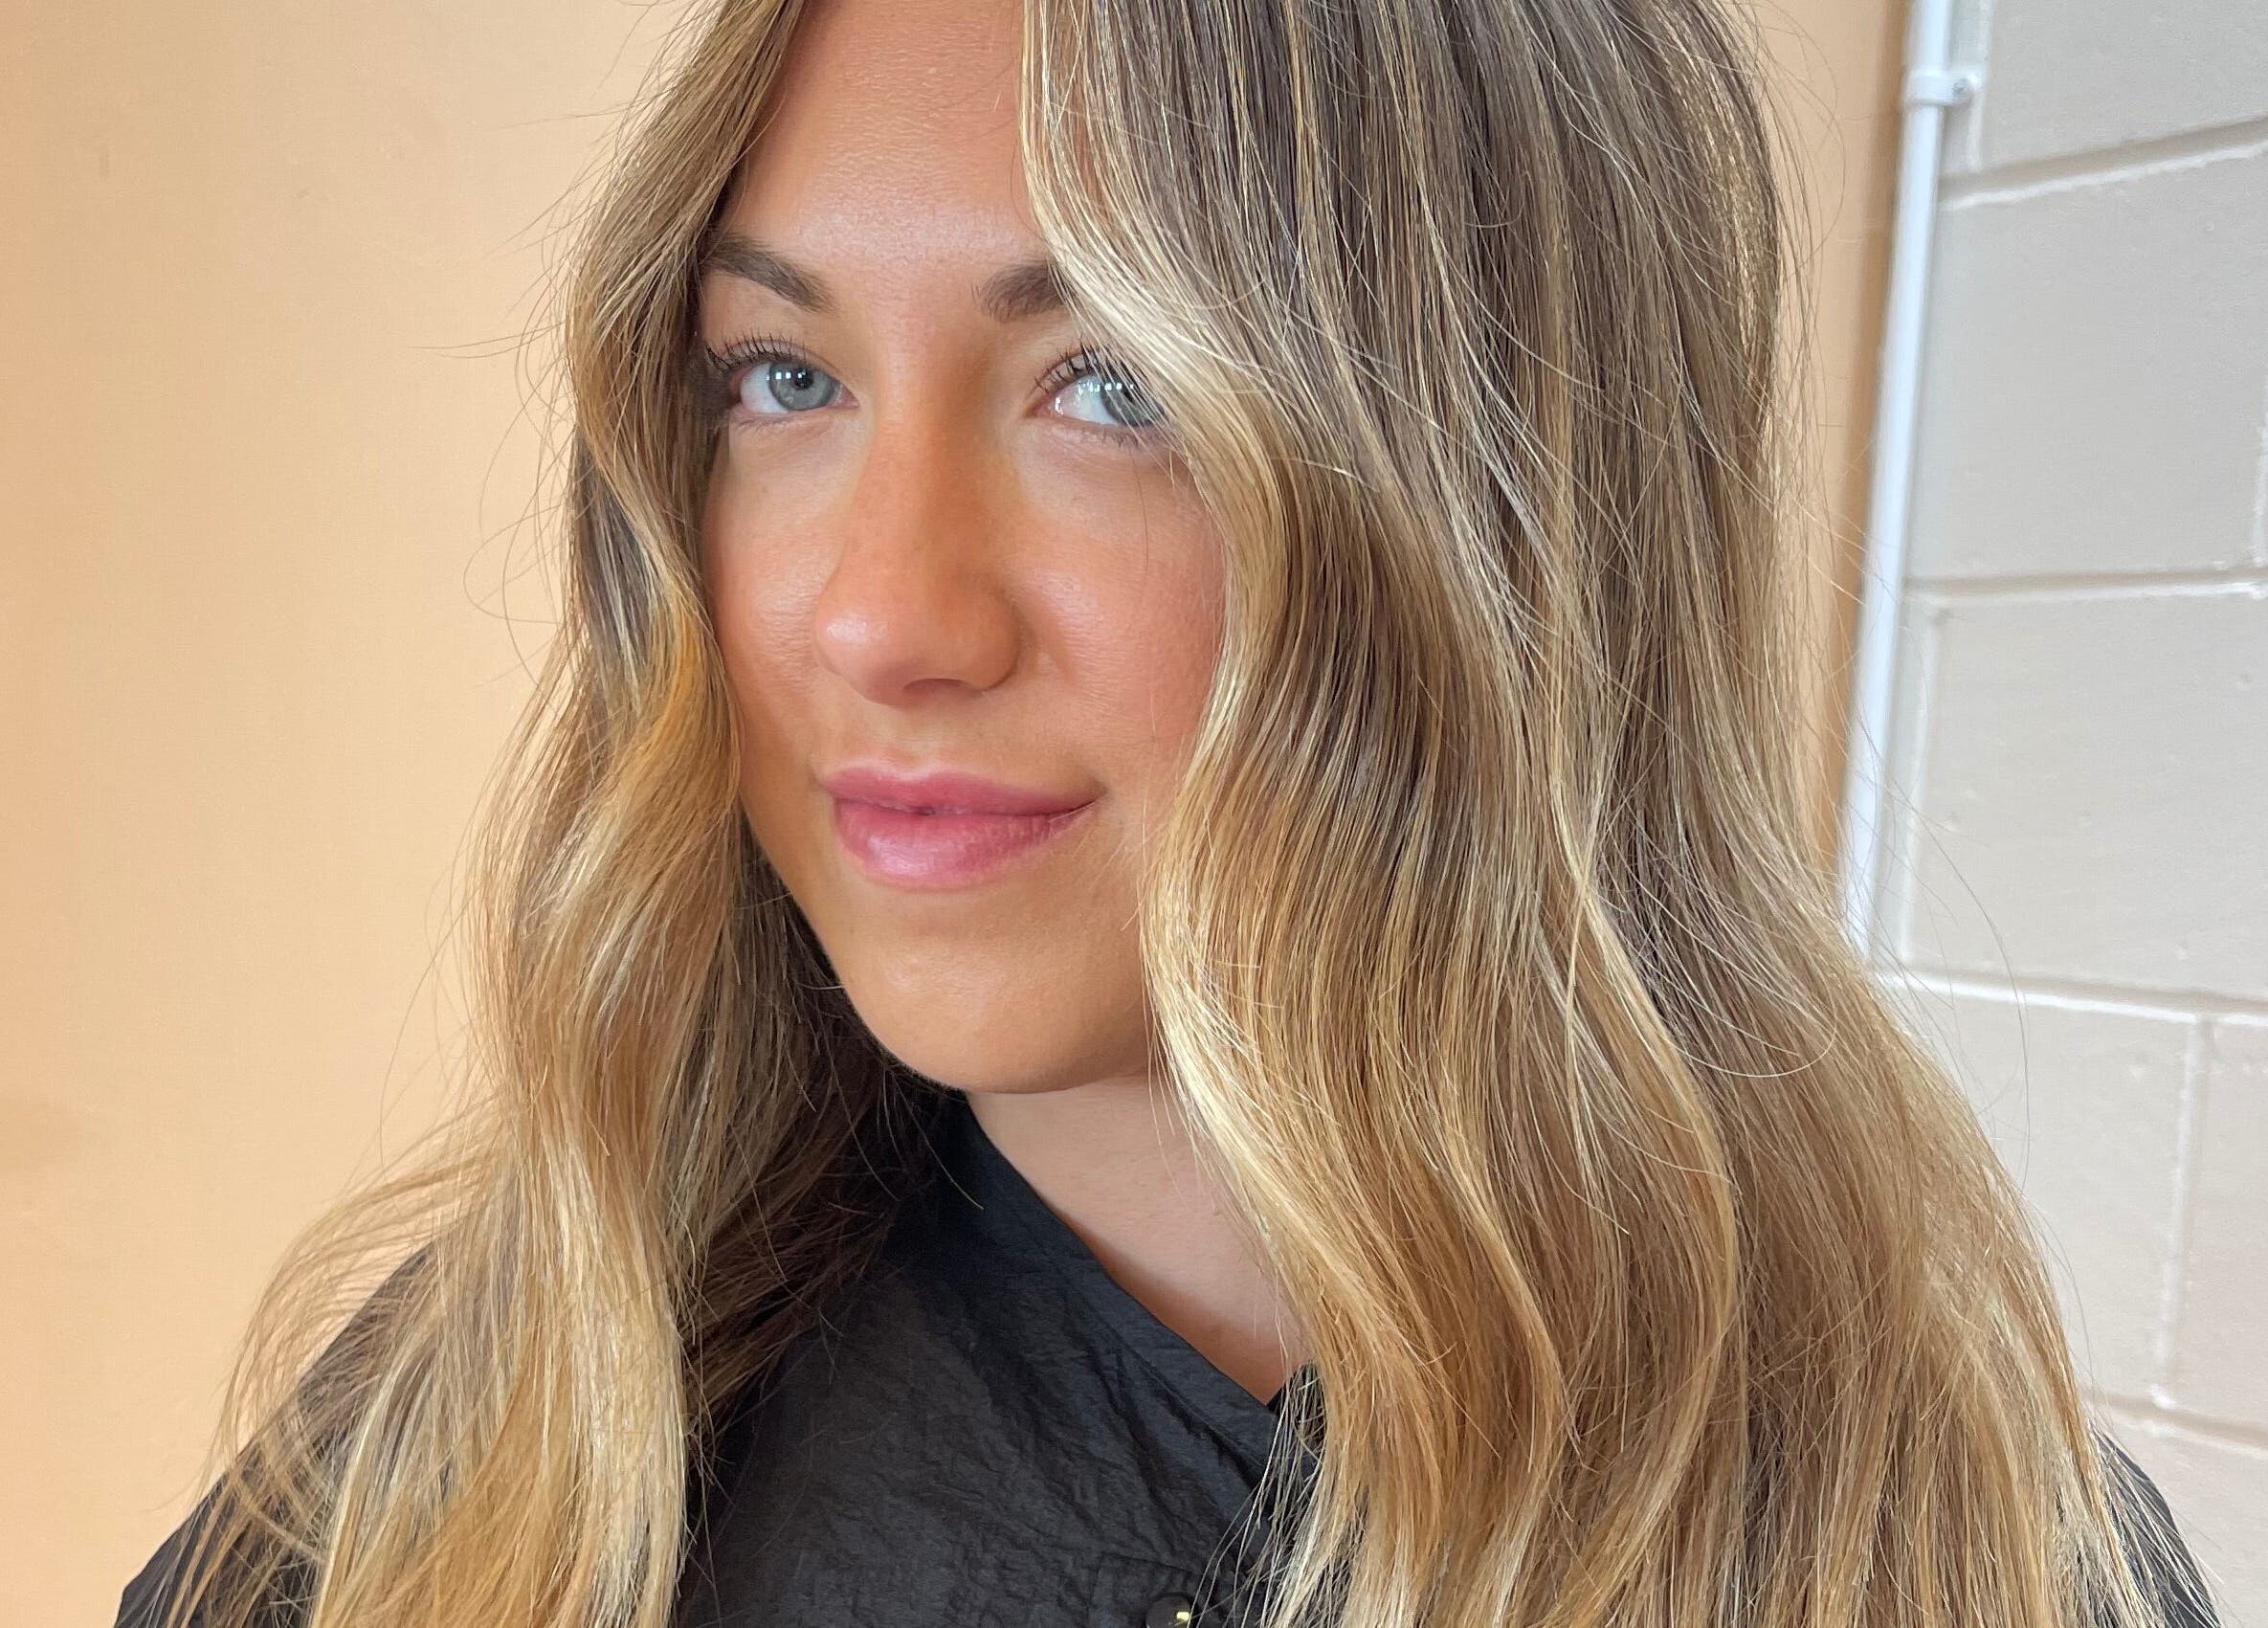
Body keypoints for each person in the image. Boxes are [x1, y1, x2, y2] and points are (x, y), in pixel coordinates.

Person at [114, 0, 2222, 1624]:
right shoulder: (470, 1459)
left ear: (1510, 515)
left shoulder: (1956, 1543)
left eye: (1118, 385)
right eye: (784, 375)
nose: (873, 611)